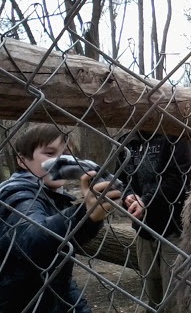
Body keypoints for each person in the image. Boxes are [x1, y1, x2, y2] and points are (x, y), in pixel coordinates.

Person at [0, 124, 122, 313]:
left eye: (66, 154)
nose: (61, 160)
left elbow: (59, 274)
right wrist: (84, 214)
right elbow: (32, 238)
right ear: (22, 161)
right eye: (50, 153)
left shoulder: (54, 196)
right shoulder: (18, 194)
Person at [117, 131, 191, 312]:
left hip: (174, 227)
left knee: (174, 294)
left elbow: (179, 181)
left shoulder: (176, 136)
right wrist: (128, 196)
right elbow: (120, 179)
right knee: (151, 292)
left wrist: (146, 201)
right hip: (143, 228)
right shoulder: (127, 141)